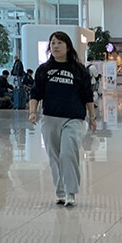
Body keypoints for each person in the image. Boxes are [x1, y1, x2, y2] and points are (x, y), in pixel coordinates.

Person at [28, 31, 97, 207]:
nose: (56, 46)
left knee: (68, 154)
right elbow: (35, 93)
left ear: (68, 46)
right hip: (50, 118)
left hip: (73, 118)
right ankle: (60, 192)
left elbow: (87, 95)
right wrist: (32, 112)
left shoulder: (79, 70)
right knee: (54, 156)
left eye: (59, 43)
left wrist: (92, 117)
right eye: (53, 43)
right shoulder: (44, 70)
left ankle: (70, 191)